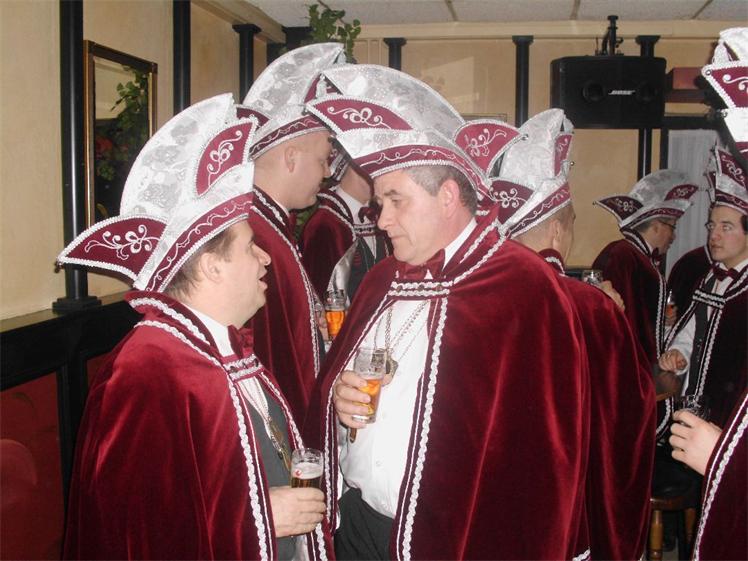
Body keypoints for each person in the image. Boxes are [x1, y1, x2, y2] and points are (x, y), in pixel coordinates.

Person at [303, 69, 590, 560]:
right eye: (379, 203)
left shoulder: (524, 288)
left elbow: (550, 452)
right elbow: (337, 382)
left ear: (448, 197)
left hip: (454, 541)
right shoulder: (381, 279)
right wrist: (339, 397)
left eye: (396, 201)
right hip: (359, 526)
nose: (382, 219)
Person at [57, 94, 328, 560]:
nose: (264, 258)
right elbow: (134, 526)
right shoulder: (148, 368)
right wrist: (257, 517)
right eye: (249, 247)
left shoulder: (219, 348)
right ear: (211, 266)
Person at [490, 109, 655, 560]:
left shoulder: (475, 299)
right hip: (563, 506)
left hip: (492, 498)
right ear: (558, 227)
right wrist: (613, 318)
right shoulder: (591, 307)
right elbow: (631, 413)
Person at [238, 43, 346, 421]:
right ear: (290, 158)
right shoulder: (255, 236)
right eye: (323, 159)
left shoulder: (269, 227)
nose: (328, 173)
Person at [658, 148, 748, 430]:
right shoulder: (709, 278)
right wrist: (679, 354)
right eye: (712, 225)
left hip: (729, 418)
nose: (713, 235)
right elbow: (694, 331)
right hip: (697, 407)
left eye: (726, 227)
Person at [592, 171, 698, 364]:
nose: (674, 236)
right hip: (626, 366)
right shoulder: (623, 255)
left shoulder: (637, 257)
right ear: (657, 225)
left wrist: (662, 321)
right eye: (672, 226)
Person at [300, 158, 390, 301]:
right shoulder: (325, 224)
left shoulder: (382, 217)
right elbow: (322, 293)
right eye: (376, 163)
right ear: (352, 166)